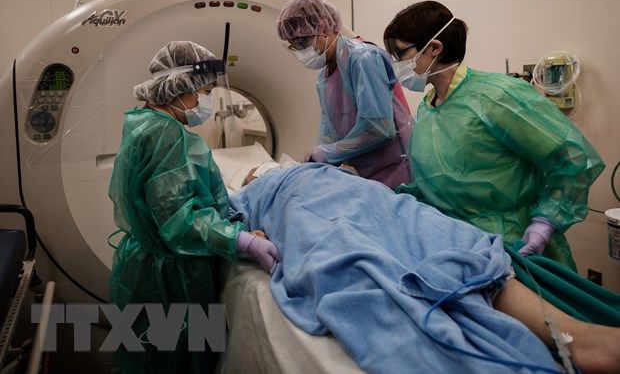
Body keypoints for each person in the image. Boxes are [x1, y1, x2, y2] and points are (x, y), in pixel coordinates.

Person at [230, 163, 620, 374]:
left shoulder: (318, 167)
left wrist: (339, 171)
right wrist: (248, 233)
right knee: (353, 258)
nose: (256, 171)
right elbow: (224, 225)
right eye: (253, 171)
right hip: (300, 204)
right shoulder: (251, 193)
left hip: (364, 196)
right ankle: (571, 339)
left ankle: (579, 336)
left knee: (447, 241)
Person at [383, 1, 605, 269]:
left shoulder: (496, 96)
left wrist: (546, 221)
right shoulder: (429, 106)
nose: (396, 64)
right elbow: (440, 178)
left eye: (400, 54)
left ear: (434, 48)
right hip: (455, 245)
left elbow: (573, 158)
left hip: (512, 247)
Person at [107, 41, 280, 373]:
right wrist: (240, 240)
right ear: (180, 86)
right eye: (206, 91)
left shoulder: (143, 122)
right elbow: (179, 220)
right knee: (178, 362)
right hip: (171, 278)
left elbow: (177, 198)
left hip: (149, 263)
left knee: (150, 359)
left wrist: (232, 219)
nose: (207, 101)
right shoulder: (166, 135)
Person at [276, 0, 413, 189]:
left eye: (303, 42)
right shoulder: (324, 78)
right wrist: (318, 159)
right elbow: (329, 133)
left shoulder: (363, 58)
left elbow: (379, 128)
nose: (300, 51)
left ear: (324, 27)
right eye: (293, 46)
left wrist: (327, 153)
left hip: (395, 168)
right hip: (363, 173)